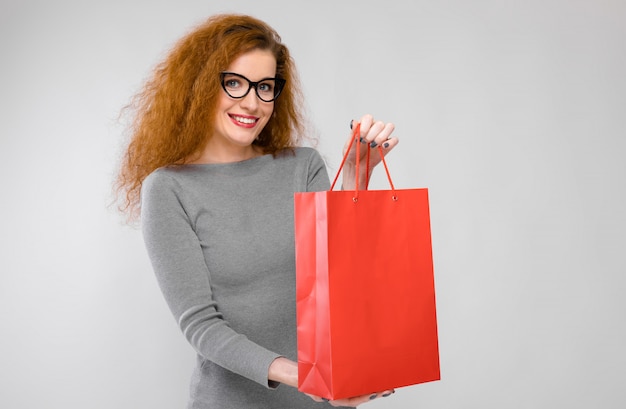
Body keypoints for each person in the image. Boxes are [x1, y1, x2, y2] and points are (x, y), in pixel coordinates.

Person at [115, 13, 399, 408]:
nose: (252, 102)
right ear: (197, 86)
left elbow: (340, 274)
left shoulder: (301, 166)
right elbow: (202, 327)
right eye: (234, 83)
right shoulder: (168, 188)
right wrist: (305, 376)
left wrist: (356, 174)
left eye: (265, 87)